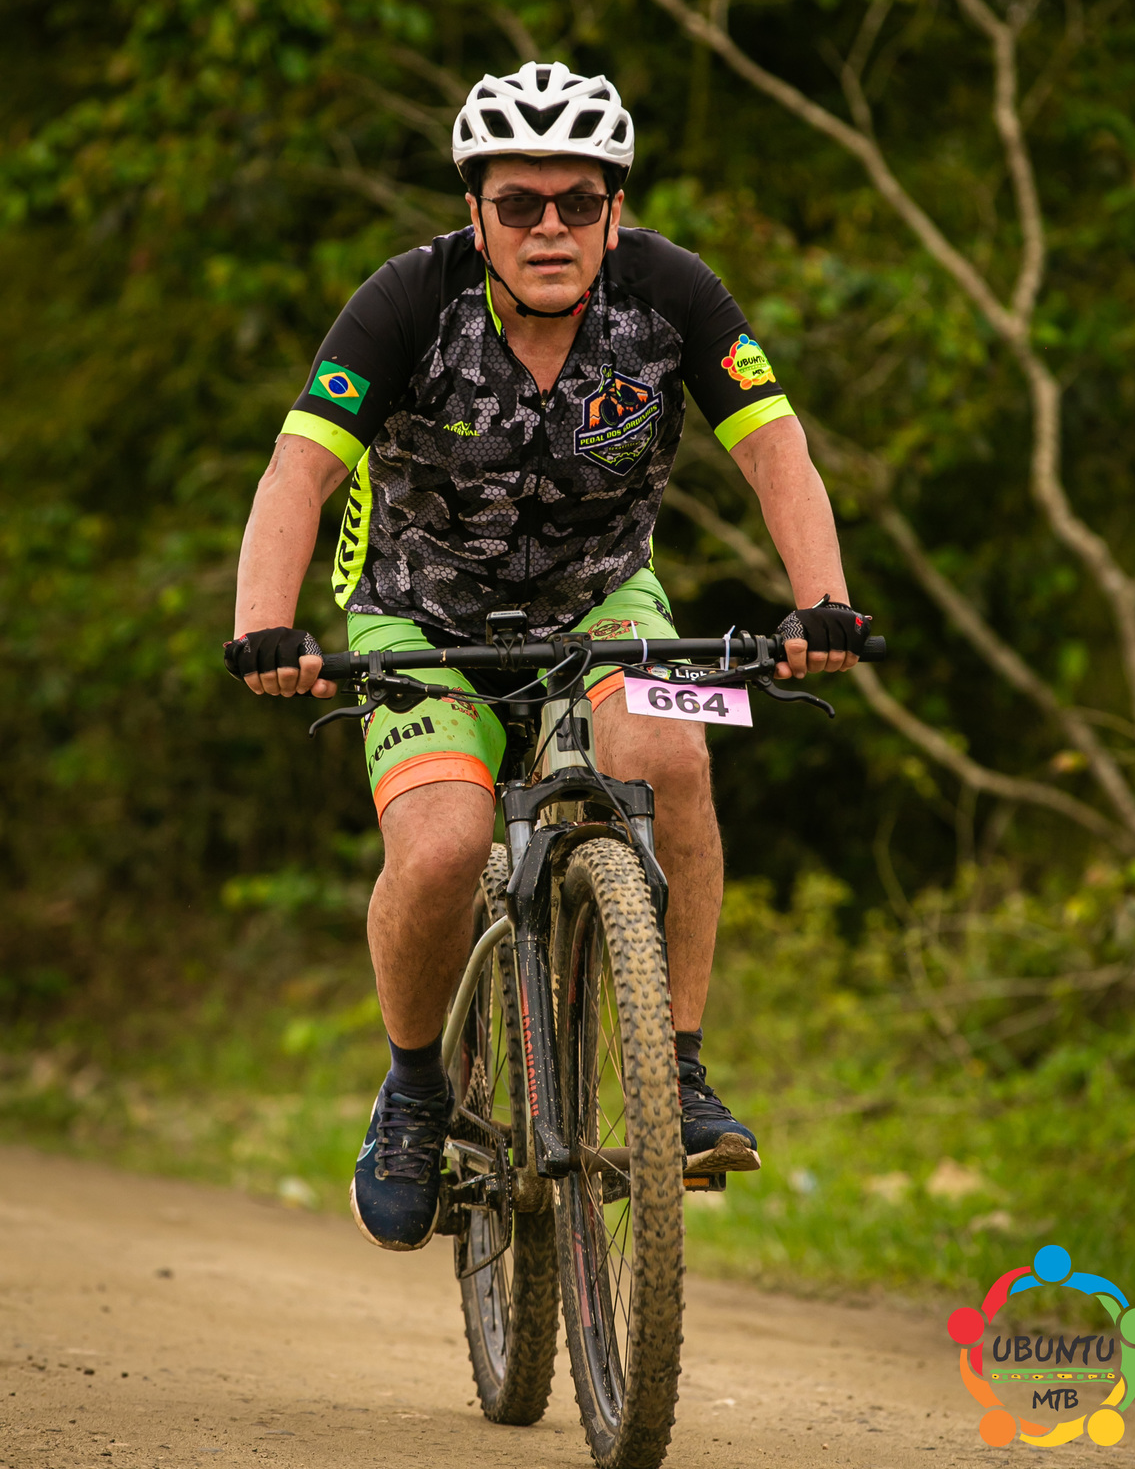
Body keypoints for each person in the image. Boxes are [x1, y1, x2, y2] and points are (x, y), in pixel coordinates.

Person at [225, 61, 865, 1252]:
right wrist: (266, 624)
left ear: (615, 209)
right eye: (520, 203)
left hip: (602, 602)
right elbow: (297, 470)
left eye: (579, 201)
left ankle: (677, 1071)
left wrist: (822, 605)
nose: (551, 228)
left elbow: (776, 450)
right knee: (441, 844)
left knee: (672, 753)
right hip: (420, 616)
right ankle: (415, 1090)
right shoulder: (406, 302)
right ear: (476, 213)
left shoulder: (672, 296)